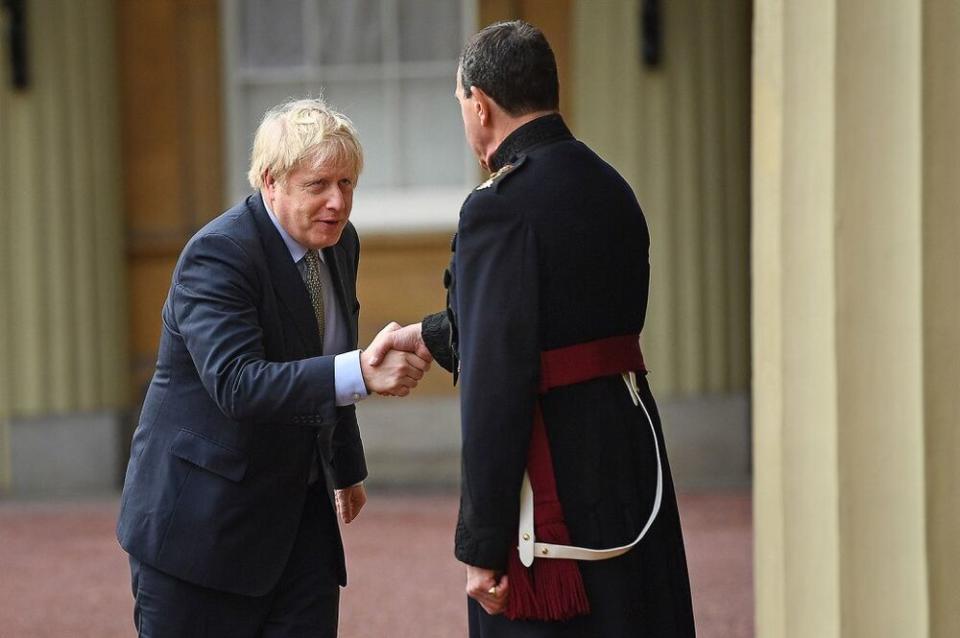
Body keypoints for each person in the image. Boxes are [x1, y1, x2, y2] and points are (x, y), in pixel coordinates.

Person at [371, 21, 696, 637]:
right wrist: (426, 335)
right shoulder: (612, 187)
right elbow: (559, 322)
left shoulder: (498, 205)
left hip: (550, 486)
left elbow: (497, 382)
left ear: (479, 104)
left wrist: (483, 544)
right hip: (628, 452)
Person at [116, 97, 431, 637]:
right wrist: (361, 371)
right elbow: (237, 383)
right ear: (270, 181)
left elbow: (323, 347)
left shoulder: (339, 242)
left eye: (348, 184)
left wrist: (344, 465)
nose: (338, 202)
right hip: (199, 531)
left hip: (298, 516)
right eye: (319, 185)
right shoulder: (217, 255)